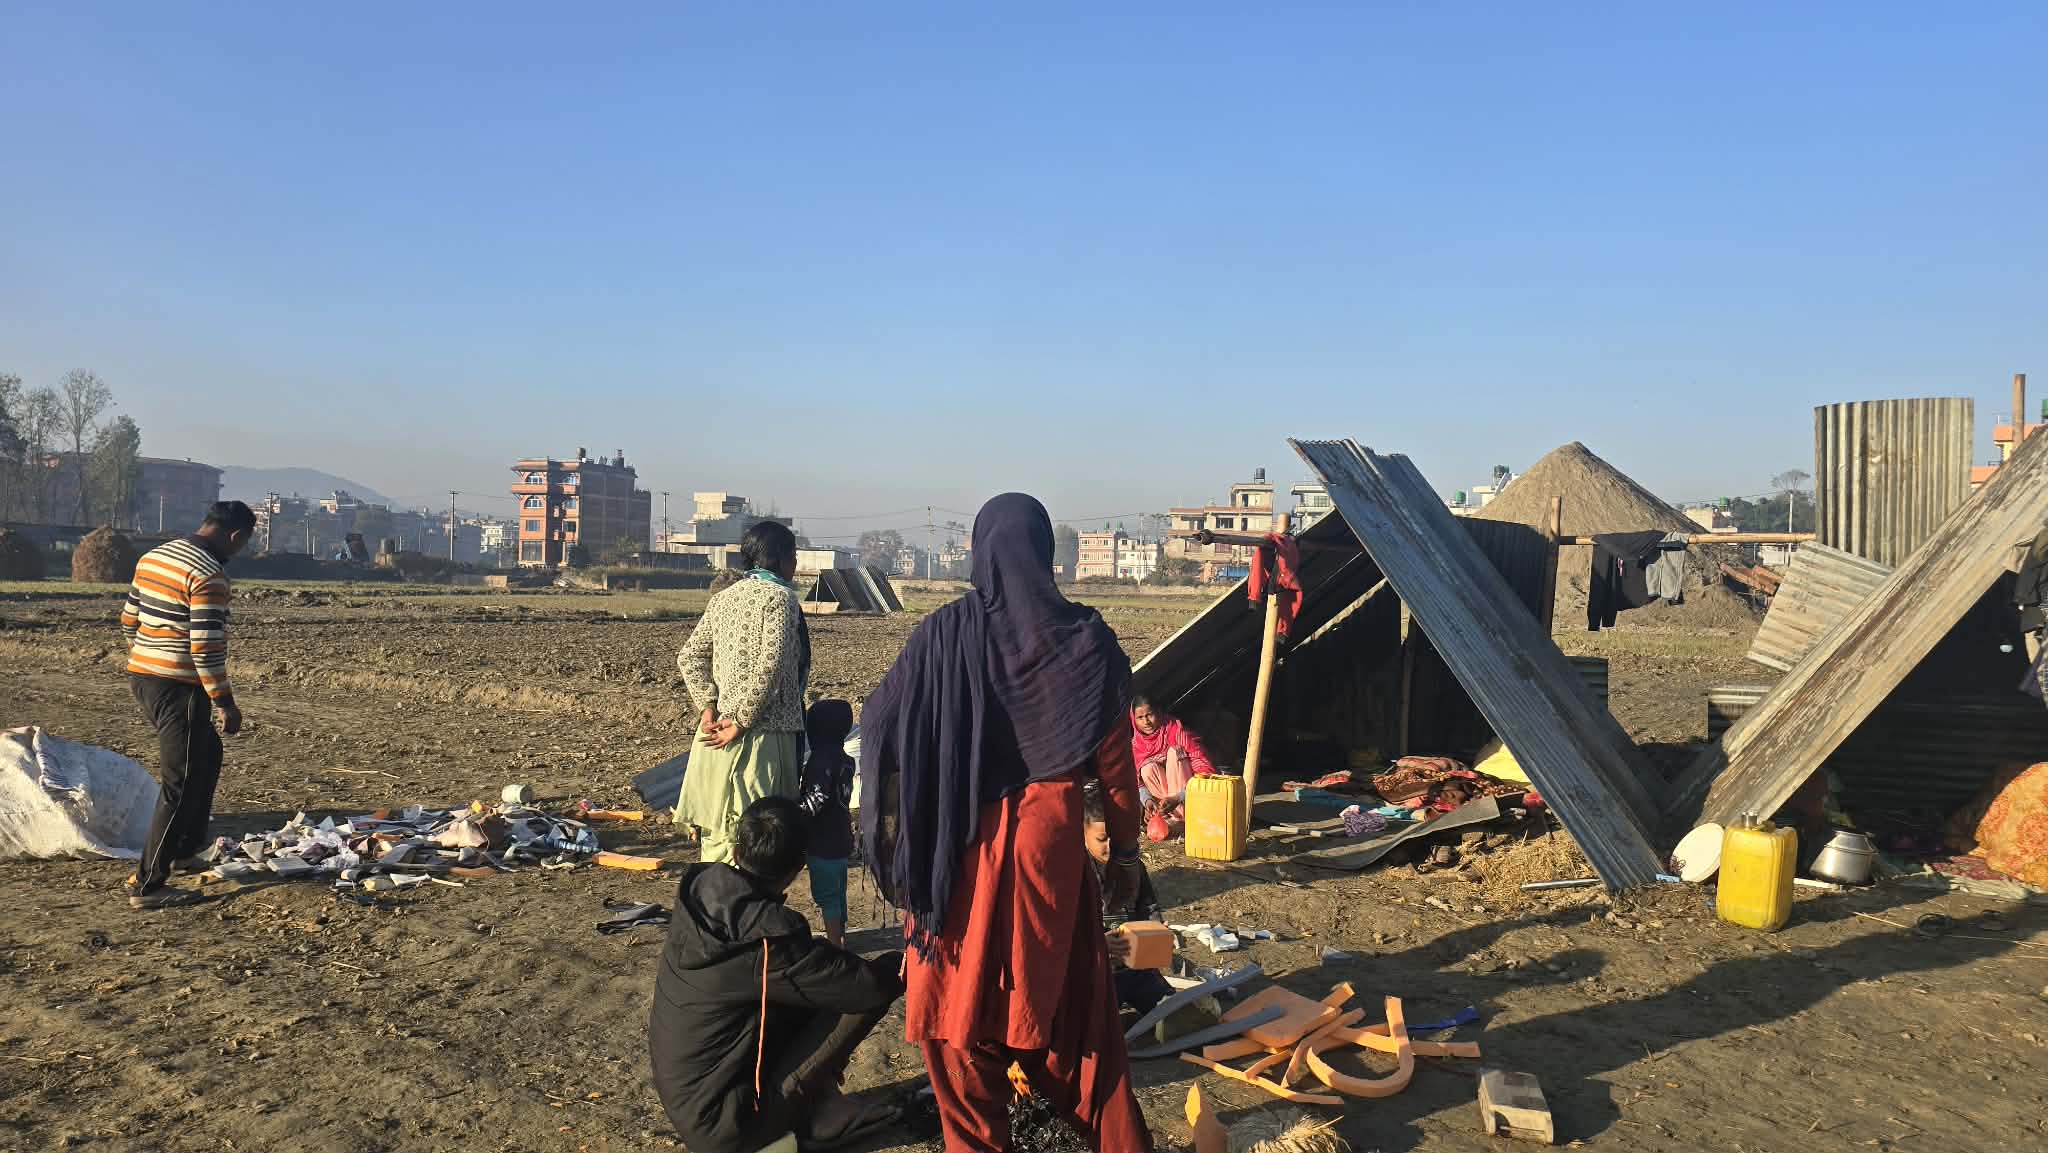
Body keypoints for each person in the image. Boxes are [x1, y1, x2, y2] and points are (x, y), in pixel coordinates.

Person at [860, 493, 1153, 1153]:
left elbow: (877, 720)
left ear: (980, 553)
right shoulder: (1087, 642)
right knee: (1082, 1033)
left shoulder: (944, 634)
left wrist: (898, 815)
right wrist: (1126, 854)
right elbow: (1117, 773)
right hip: (1048, 851)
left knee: (957, 1030)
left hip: (952, 851)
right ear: (1045, 554)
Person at [649, 797, 904, 1153]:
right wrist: (907, 960)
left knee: (819, 983)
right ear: (800, 865)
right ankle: (816, 1117)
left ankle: (822, 1101)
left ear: (736, 852)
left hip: (691, 1100)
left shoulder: (702, 895)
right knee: (858, 995)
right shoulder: (768, 941)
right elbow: (868, 988)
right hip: (729, 1128)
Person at [118, 500, 254, 910]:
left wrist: (148, 653)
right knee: (179, 784)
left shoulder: (155, 556)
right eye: (245, 542)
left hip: (143, 677)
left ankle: (187, 848)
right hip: (179, 687)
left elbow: (129, 618)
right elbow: (206, 647)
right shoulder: (210, 575)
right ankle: (149, 885)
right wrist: (224, 702)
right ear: (235, 536)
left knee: (207, 756)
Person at [676, 521, 811, 864]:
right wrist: (742, 721)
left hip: (715, 737)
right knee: (760, 836)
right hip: (764, 737)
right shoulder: (780, 599)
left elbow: (689, 656)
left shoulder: (722, 600)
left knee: (721, 832)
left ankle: (717, 905)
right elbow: (773, 665)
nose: (795, 565)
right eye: (793, 556)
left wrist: (708, 706)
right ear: (780, 559)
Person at [1083, 782, 1173, 1018]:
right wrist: (1096, 943)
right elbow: (1067, 929)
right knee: (1095, 1023)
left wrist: (1157, 929)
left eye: (1116, 836)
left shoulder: (1133, 866)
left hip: (1139, 969)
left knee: (1171, 1010)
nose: (1111, 846)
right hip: (1095, 972)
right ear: (1082, 835)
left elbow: (1148, 904)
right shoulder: (1075, 875)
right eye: (1102, 839)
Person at [799, 698, 858, 947]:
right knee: (838, 892)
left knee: (826, 896)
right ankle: (841, 934)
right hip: (841, 837)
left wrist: (793, 812)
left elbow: (817, 798)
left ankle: (835, 944)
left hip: (822, 841)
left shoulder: (820, 761)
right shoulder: (846, 760)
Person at [1130, 694, 1214, 827]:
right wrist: (1147, 801)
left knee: (1174, 752)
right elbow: (1137, 783)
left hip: (1191, 797)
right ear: (1134, 720)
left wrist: (1179, 797)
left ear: (1158, 712)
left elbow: (1204, 769)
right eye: (1140, 717)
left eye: (1150, 715)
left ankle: (1188, 814)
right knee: (1146, 769)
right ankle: (1170, 815)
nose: (1146, 721)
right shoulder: (1136, 746)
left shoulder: (1176, 731)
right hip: (1168, 805)